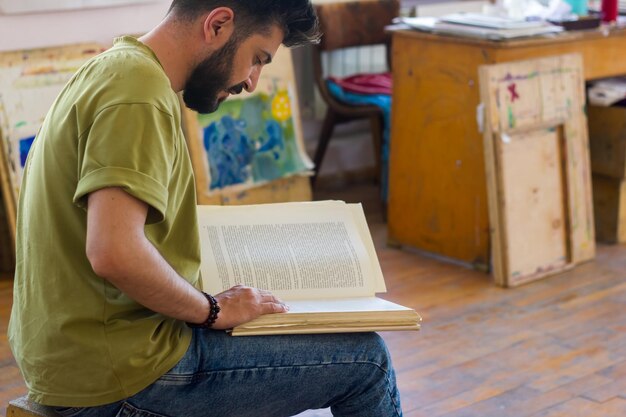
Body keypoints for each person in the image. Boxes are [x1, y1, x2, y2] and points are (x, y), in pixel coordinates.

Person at [8, 1, 404, 416]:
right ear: (218, 24)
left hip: (82, 356)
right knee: (367, 361)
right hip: (120, 375)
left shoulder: (116, 68)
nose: (252, 82)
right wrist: (212, 309)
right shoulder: (138, 92)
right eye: (257, 59)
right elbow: (113, 251)